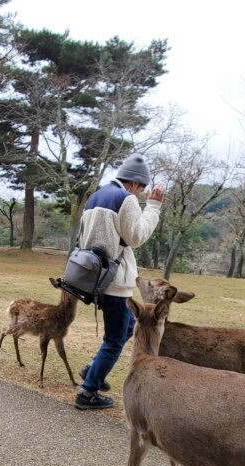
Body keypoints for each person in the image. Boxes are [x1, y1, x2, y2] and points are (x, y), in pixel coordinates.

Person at [74, 153, 165, 410]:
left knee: (126, 329)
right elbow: (136, 236)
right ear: (135, 184)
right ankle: (88, 392)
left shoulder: (96, 196)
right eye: (142, 189)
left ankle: (92, 369)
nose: (141, 193)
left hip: (94, 274)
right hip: (115, 279)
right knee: (115, 339)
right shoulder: (126, 199)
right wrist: (154, 206)